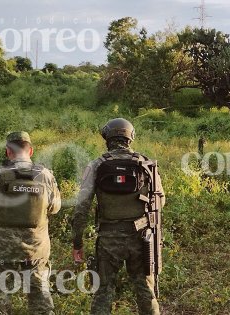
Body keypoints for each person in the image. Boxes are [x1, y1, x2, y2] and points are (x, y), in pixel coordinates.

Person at [71, 118, 165, 315]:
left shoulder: (96, 165)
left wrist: (77, 242)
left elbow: (81, 207)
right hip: (142, 239)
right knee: (145, 291)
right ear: (130, 138)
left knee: (103, 291)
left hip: (108, 239)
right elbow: (160, 201)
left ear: (108, 138)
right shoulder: (146, 165)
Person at [0, 131, 61, 315]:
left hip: (1, 249)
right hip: (36, 248)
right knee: (40, 296)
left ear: (8, 151)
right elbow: (55, 208)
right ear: (30, 151)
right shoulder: (45, 175)